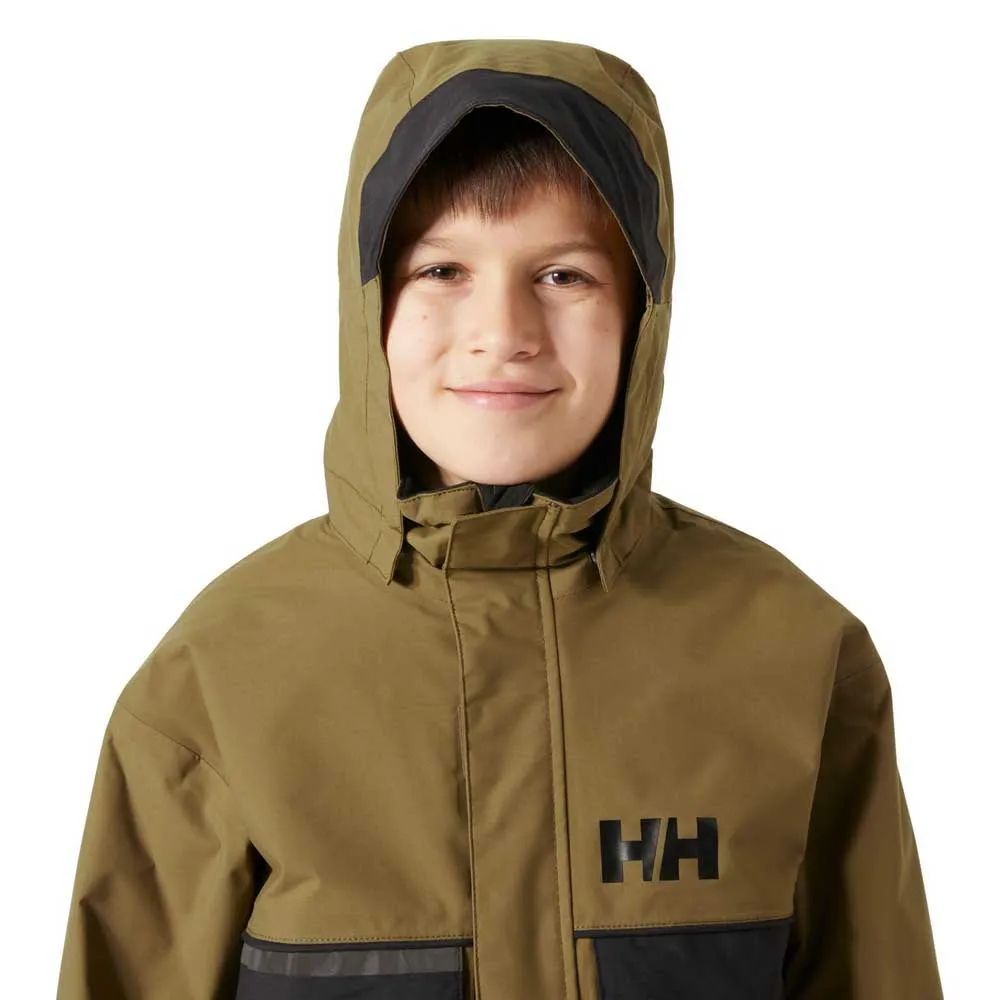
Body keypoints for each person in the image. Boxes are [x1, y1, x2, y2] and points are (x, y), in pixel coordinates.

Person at [56, 38, 944, 1000]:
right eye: (442, 270)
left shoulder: (792, 653)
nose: (503, 333)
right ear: (369, 305)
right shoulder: (221, 675)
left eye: (563, 275)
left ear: (643, 312)